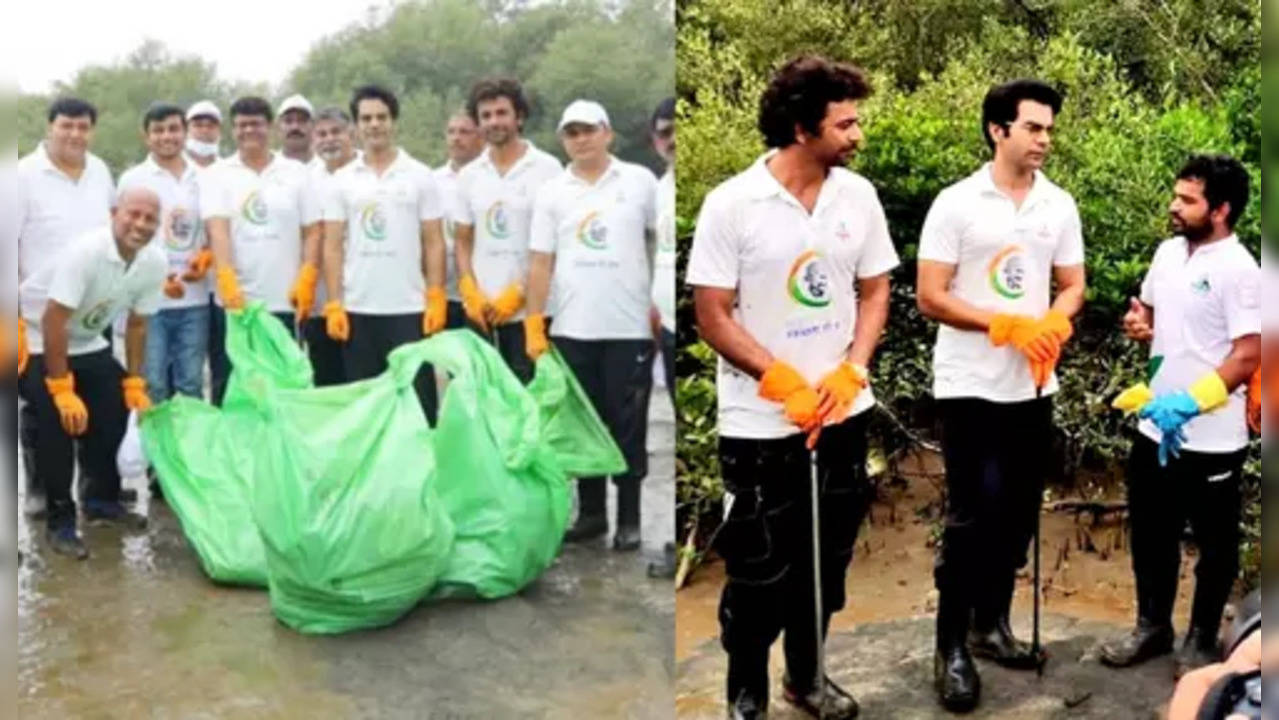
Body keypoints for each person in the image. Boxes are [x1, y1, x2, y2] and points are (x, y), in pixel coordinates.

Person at [686, 56, 899, 719]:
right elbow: (711, 312)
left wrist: (853, 366)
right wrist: (776, 379)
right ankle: (745, 692)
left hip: (841, 412)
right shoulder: (732, 203)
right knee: (756, 570)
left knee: (827, 562)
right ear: (803, 126)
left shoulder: (854, 197)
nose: (856, 134)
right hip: (759, 424)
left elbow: (875, 287)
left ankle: (805, 679)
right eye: (845, 122)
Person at [915, 78, 1086, 713]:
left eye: (1048, 129)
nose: (1044, 139)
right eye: (1033, 128)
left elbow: (1072, 284)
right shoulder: (956, 203)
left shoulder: (1058, 205)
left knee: (1015, 516)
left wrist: (1054, 320)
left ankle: (992, 625)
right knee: (970, 516)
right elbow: (929, 294)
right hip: (969, 385)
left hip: (1033, 385)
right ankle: (950, 646)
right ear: (998, 130)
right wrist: (999, 324)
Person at [1101, 155, 1260, 678]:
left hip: (1213, 437)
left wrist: (1190, 402)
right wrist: (1138, 322)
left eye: (1187, 200)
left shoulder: (1242, 271)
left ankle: (1200, 638)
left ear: (1220, 209)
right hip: (1155, 426)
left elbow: (1248, 354)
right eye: (1176, 196)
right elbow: (1145, 308)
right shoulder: (1168, 252)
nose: (1174, 206)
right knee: (1150, 531)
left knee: (1215, 544)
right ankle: (1152, 627)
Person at [525, 100, 660, 552]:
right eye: (571, 133)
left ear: (607, 133)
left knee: (628, 423)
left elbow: (658, 243)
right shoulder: (552, 192)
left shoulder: (639, 183)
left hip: (629, 328)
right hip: (571, 327)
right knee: (581, 423)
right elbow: (541, 261)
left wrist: (658, 302)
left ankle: (629, 517)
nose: (580, 140)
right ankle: (592, 514)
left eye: (587, 130)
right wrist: (533, 321)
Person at [17, 187, 167, 559]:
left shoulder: (153, 262)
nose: (141, 224)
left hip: (84, 340)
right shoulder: (87, 252)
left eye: (150, 219)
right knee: (57, 421)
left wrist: (133, 380)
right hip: (30, 336)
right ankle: (60, 521)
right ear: (114, 213)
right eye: (133, 214)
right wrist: (61, 387)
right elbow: (53, 320)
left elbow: (137, 325)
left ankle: (100, 502)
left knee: (115, 406)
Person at [321, 84, 448, 422]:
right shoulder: (342, 180)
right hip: (359, 309)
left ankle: (420, 474)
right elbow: (332, 246)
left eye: (381, 117)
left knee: (417, 408)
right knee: (367, 411)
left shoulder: (420, 175)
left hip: (409, 308)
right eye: (366, 118)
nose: (374, 125)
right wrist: (335, 303)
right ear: (356, 126)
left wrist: (435, 294)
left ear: (393, 121)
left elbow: (434, 240)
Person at [16, 97, 116, 519]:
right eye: (66, 126)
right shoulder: (21, 177)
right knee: (44, 410)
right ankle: (43, 490)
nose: (75, 134)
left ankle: (97, 492)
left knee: (98, 406)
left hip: (92, 313)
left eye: (82, 127)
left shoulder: (100, 171)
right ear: (50, 127)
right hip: (37, 319)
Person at [200, 96, 322, 406]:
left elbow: (312, 230)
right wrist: (227, 278)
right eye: (241, 125)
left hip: (283, 299)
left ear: (269, 127)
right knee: (232, 386)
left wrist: (307, 274)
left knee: (282, 388)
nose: (248, 131)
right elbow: (218, 229)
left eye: (255, 124)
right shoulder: (218, 173)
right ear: (233, 130)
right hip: (236, 303)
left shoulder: (295, 172)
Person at [452, 77, 562, 382]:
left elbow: (556, 245)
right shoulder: (469, 176)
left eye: (501, 113)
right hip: (482, 313)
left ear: (519, 117)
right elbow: (462, 240)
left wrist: (520, 292)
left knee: (534, 402)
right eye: (485, 116)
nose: (493, 122)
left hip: (533, 313)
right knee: (489, 402)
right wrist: (469, 291)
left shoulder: (548, 169)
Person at [117, 103, 210, 404]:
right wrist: (155, 277)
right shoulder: (133, 178)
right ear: (146, 137)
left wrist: (206, 257)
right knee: (153, 383)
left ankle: (191, 449)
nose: (166, 136)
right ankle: (157, 451)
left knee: (191, 383)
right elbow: (121, 237)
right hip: (149, 301)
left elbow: (215, 228)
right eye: (158, 130)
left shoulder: (206, 176)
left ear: (185, 132)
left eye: (173, 129)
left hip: (195, 298)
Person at [302, 106, 360, 386]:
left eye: (336, 132)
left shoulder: (367, 172)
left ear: (352, 134)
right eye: (321, 134)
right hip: (321, 303)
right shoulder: (306, 179)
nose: (329, 139)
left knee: (362, 378)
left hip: (364, 298)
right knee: (327, 379)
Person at [434, 110, 484, 329]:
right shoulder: (432, 180)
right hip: (445, 294)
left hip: (482, 293)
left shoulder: (487, 177)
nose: (456, 138)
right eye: (451, 132)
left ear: (480, 137)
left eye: (464, 132)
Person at [277, 94, 316, 167]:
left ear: (314, 127)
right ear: (278, 128)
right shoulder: (267, 169)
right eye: (288, 121)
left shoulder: (328, 167)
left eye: (302, 120)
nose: (295, 127)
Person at [184, 100, 223, 168]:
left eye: (210, 126)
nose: (205, 131)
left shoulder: (227, 170)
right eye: (198, 125)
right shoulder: (172, 166)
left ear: (219, 131)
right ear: (186, 130)